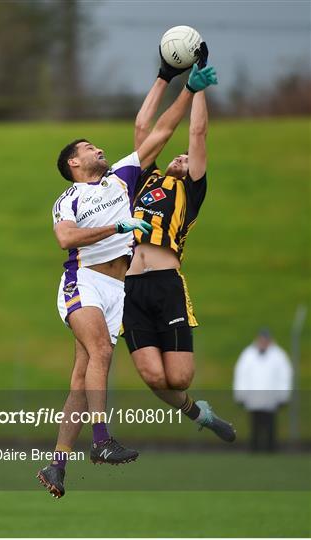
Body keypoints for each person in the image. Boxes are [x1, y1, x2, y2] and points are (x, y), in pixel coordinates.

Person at [37, 59, 218, 498]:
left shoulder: (121, 178)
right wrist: (116, 229)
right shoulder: (70, 197)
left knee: (82, 378)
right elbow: (65, 239)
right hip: (84, 281)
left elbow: (160, 132)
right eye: (89, 148)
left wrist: (189, 90)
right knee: (100, 350)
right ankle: (101, 441)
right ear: (74, 163)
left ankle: (56, 465)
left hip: (118, 290)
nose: (99, 149)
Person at [122, 44, 236, 443]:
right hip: (132, 287)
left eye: (189, 159)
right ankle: (197, 413)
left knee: (180, 376)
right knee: (154, 377)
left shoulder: (191, 193)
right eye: (180, 156)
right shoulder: (147, 179)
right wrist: (164, 75)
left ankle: (196, 403)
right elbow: (143, 128)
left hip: (167, 285)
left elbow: (197, 131)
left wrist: (199, 83)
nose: (182, 158)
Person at [233, 328, 293, 452]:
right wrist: (240, 394)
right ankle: (254, 448)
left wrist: (283, 396)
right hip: (253, 398)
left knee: (270, 424)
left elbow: (285, 376)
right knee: (255, 424)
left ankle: (271, 449)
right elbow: (241, 375)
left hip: (271, 398)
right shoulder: (248, 354)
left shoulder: (279, 355)